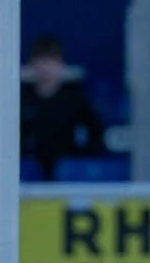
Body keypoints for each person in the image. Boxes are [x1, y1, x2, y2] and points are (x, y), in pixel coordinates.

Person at [19, 34, 107, 180]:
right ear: (32, 64)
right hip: (30, 169)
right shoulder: (21, 99)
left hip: (66, 168)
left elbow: (96, 131)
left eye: (51, 62)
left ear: (61, 65)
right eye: (41, 62)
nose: (46, 69)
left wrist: (79, 157)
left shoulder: (75, 98)